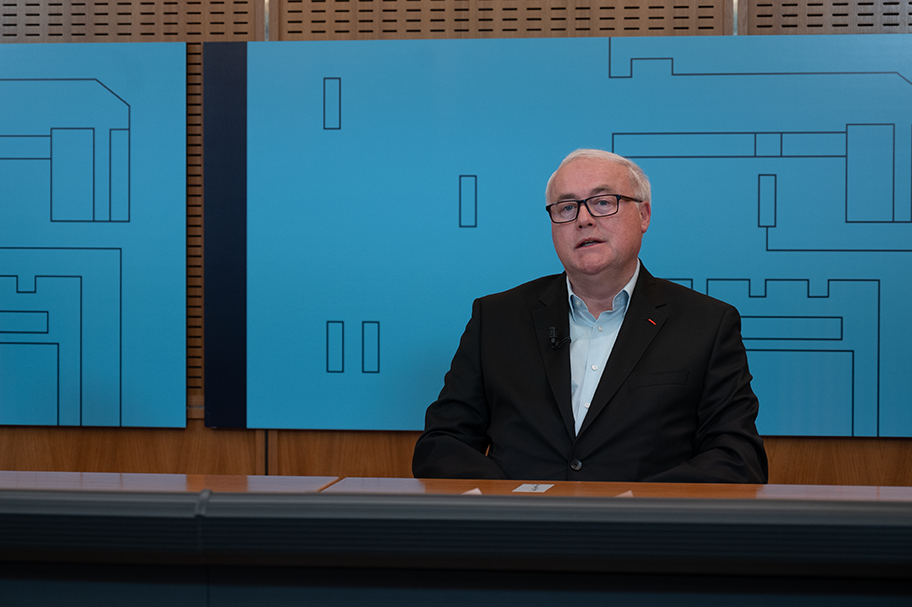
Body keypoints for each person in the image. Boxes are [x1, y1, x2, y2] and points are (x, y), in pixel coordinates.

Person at [412, 149, 768, 483]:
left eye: (603, 202)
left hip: (645, 528)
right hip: (520, 526)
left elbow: (737, 458)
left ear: (643, 215)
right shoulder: (496, 319)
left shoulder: (706, 324)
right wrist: (517, 503)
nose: (583, 219)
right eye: (567, 207)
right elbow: (442, 445)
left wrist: (631, 507)